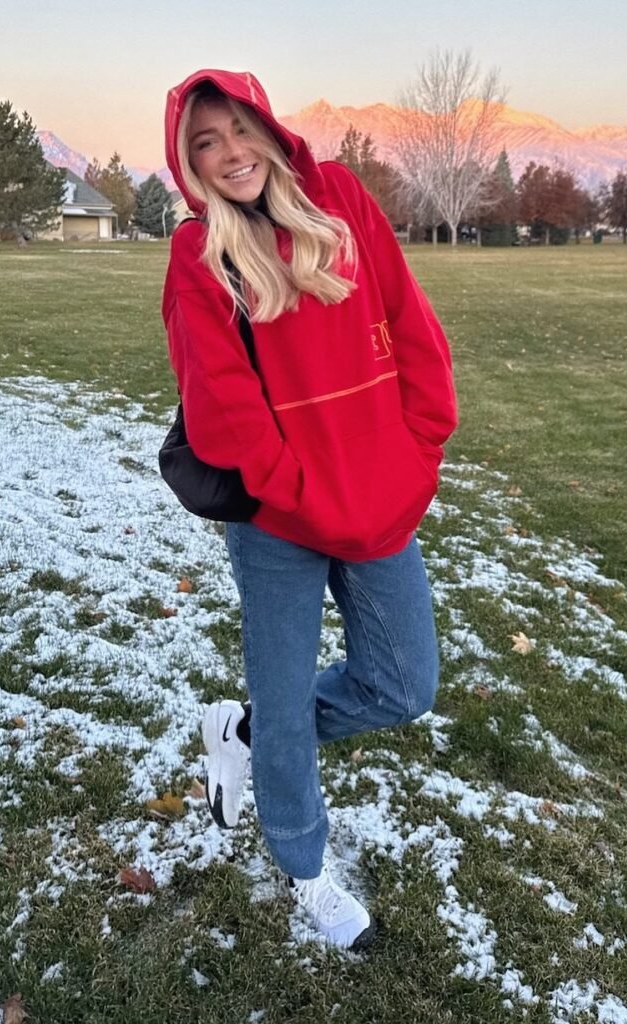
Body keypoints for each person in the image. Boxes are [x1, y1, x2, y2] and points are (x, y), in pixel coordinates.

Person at [162, 69, 458, 951]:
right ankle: (305, 867)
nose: (228, 155)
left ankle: (245, 734)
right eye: (203, 144)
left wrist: (422, 443)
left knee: (405, 684)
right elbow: (221, 409)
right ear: (190, 164)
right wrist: (299, 493)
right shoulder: (200, 254)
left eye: (236, 130)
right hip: (278, 523)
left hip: (381, 498)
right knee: (287, 699)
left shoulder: (338, 199)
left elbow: (410, 320)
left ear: (266, 126)